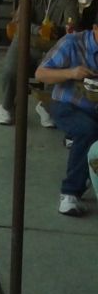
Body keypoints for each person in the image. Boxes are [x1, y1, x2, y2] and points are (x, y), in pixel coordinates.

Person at [0, 0, 79, 127]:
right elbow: (20, 20)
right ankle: (6, 106)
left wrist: (65, 28)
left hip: (53, 46)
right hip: (25, 41)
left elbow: (72, 23)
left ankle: (45, 107)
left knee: (59, 73)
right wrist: (39, 30)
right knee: (10, 71)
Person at [35, 23, 98, 217]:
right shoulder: (72, 43)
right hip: (67, 104)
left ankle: (87, 175)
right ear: (95, 28)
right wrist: (71, 73)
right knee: (88, 130)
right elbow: (41, 74)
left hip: (94, 107)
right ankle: (69, 193)